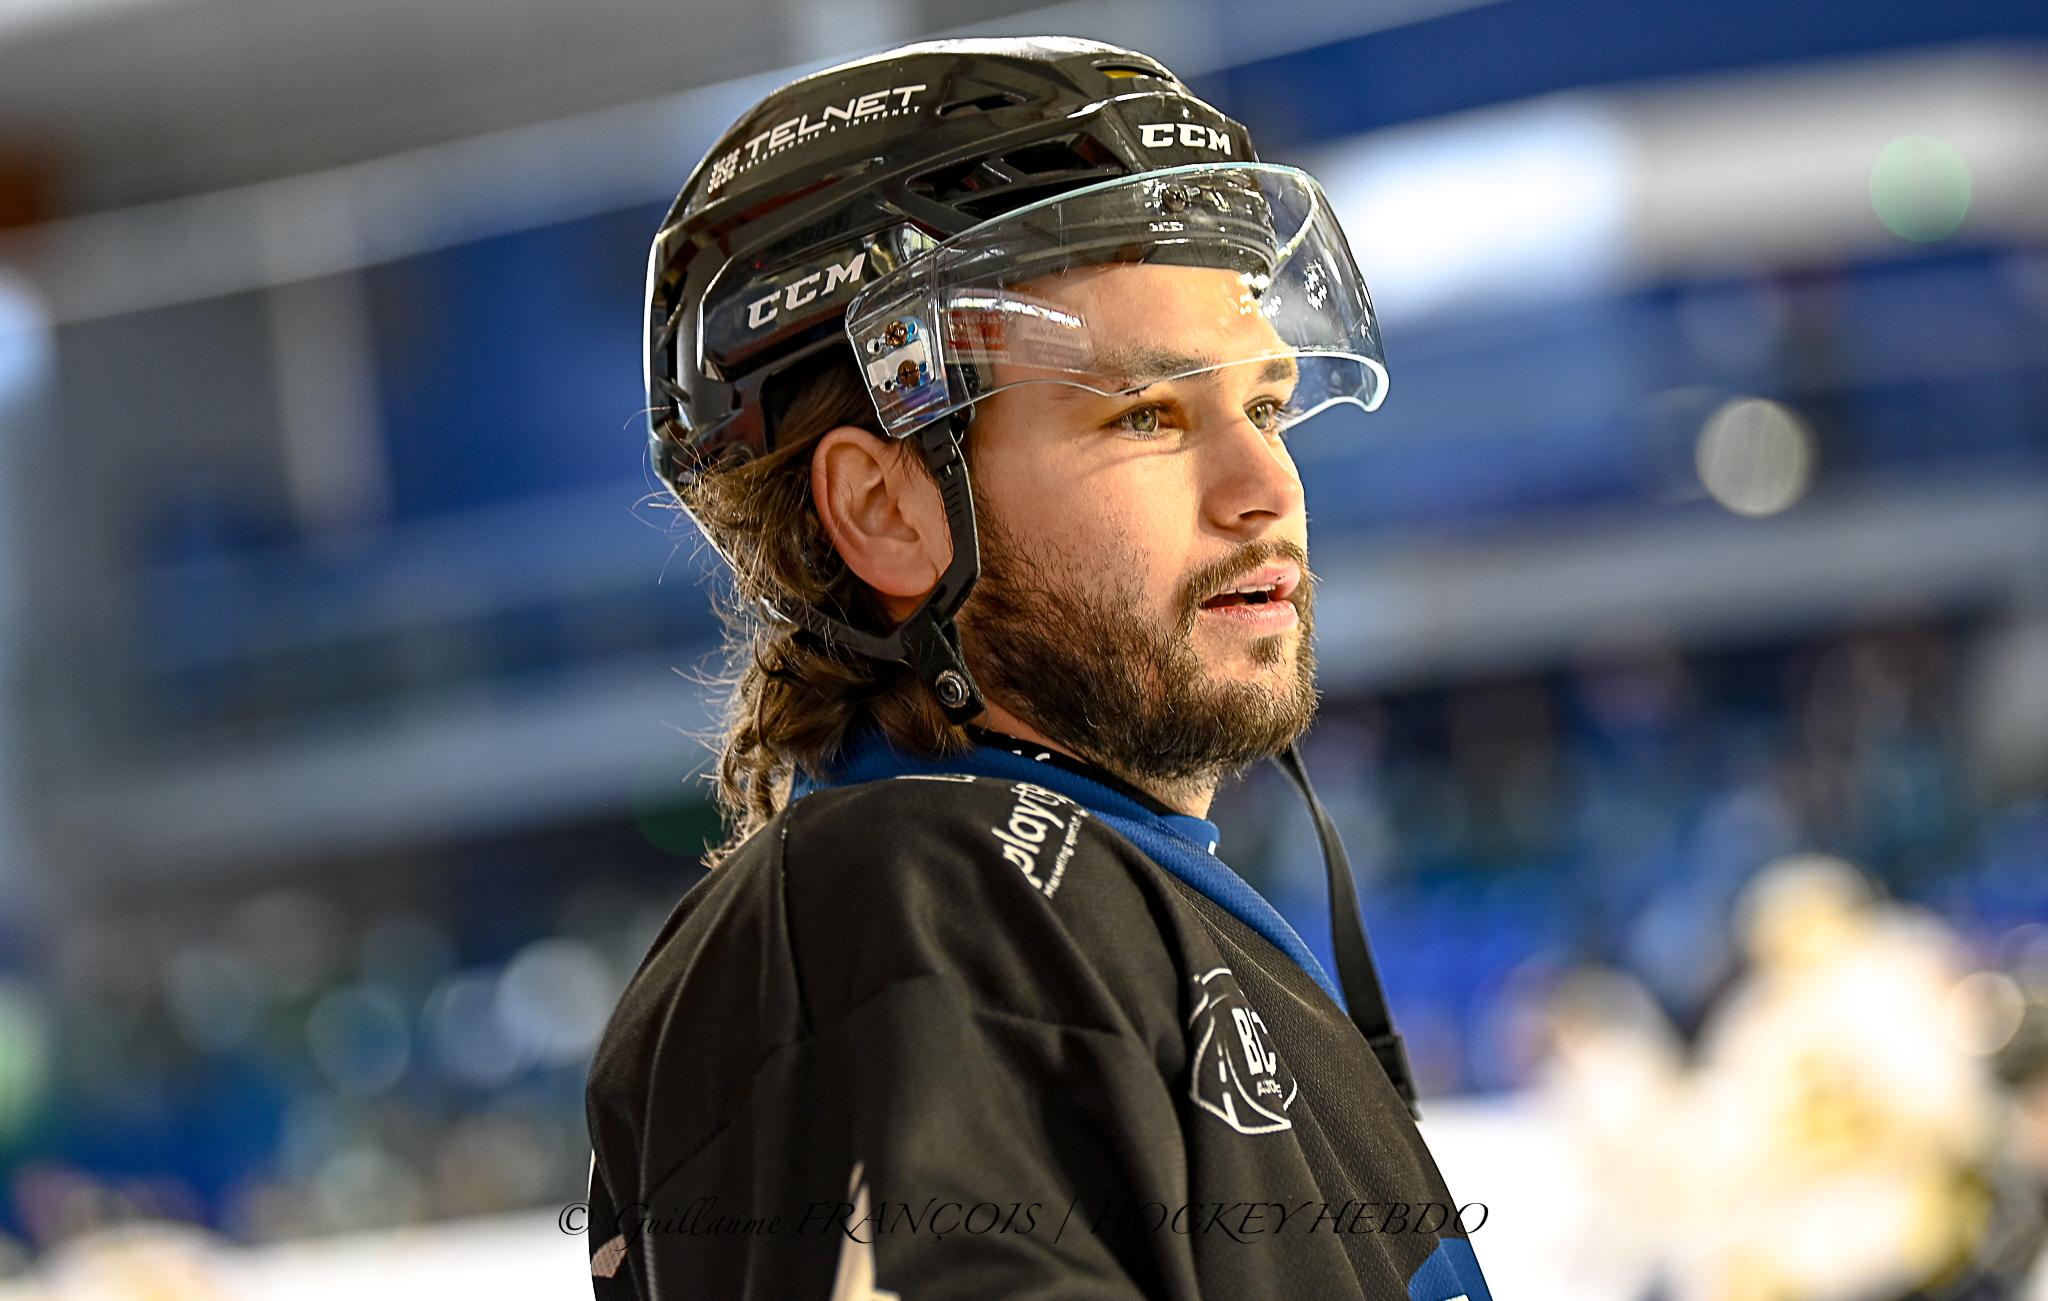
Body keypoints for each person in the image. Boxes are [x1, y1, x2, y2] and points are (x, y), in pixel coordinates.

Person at [583, 35, 1492, 1300]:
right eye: (1146, 414)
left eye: (1264, 408)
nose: (1265, 486)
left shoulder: (1074, 899)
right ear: (887, 511)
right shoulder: (912, 901)